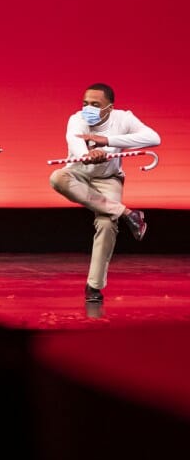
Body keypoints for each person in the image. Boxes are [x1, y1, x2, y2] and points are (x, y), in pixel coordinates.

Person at [48, 83, 160, 303]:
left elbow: (154, 139)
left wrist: (108, 141)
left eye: (95, 105)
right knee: (57, 177)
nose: (88, 108)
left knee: (108, 223)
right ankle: (128, 213)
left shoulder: (123, 118)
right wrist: (87, 154)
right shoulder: (77, 119)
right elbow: (75, 140)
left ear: (109, 108)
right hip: (79, 171)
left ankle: (94, 287)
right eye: (85, 103)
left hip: (108, 177)